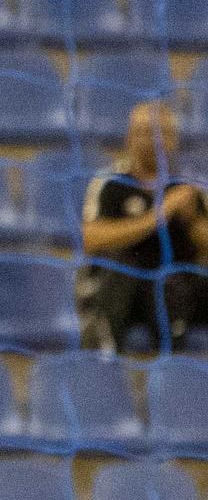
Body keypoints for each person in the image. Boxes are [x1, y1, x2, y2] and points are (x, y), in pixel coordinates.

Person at [80, 101, 208, 352]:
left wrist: (192, 219)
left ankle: (176, 369)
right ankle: (102, 360)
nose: (154, 141)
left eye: (162, 133)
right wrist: (159, 214)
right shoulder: (111, 183)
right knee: (118, 272)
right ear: (130, 138)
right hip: (124, 291)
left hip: (177, 291)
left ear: (174, 139)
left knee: (176, 283)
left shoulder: (188, 189)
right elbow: (90, 239)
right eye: (146, 132)